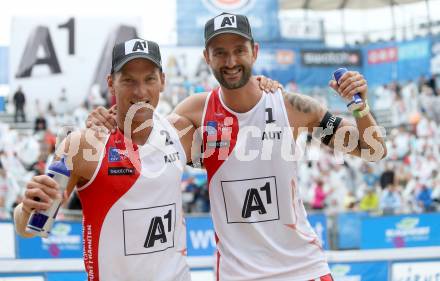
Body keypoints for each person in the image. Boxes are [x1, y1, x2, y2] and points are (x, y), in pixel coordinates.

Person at [88, 12, 387, 281]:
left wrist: (359, 106)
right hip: (237, 274)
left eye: (239, 51)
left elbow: (373, 150)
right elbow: (140, 137)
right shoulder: (195, 112)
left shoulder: (292, 106)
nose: (230, 62)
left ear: (254, 52)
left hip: (302, 269)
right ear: (207, 57)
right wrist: (103, 119)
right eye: (220, 53)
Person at [13, 38, 192, 281]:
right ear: (111, 82)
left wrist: (261, 86)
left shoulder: (181, 132)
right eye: (128, 80)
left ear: (162, 81)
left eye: (149, 78)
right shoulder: (82, 146)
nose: (140, 91)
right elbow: (29, 228)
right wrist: (27, 208)